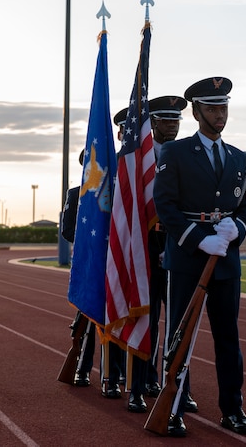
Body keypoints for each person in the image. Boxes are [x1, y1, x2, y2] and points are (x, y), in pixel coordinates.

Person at [153, 77, 246, 437]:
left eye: (223, 107)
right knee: (180, 336)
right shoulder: (176, 153)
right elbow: (165, 206)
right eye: (212, 108)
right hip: (186, 258)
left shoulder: (240, 158)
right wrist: (199, 239)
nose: (219, 115)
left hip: (226, 260)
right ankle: (175, 407)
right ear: (196, 112)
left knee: (228, 337)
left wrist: (236, 230)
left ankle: (233, 409)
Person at [126, 95, 191, 414]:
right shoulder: (141, 158)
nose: (172, 125)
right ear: (152, 123)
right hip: (148, 243)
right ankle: (137, 387)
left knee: (180, 322)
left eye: (176, 120)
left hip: (179, 244)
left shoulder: (187, 156)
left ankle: (180, 387)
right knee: (146, 319)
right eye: (166, 120)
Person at [61, 148, 125, 398]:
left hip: (116, 265)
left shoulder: (118, 193)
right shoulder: (76, 194)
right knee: (86, 322)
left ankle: (115, 373)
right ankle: (82, 368)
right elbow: (67, 230)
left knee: (118, 318)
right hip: (91, 265)